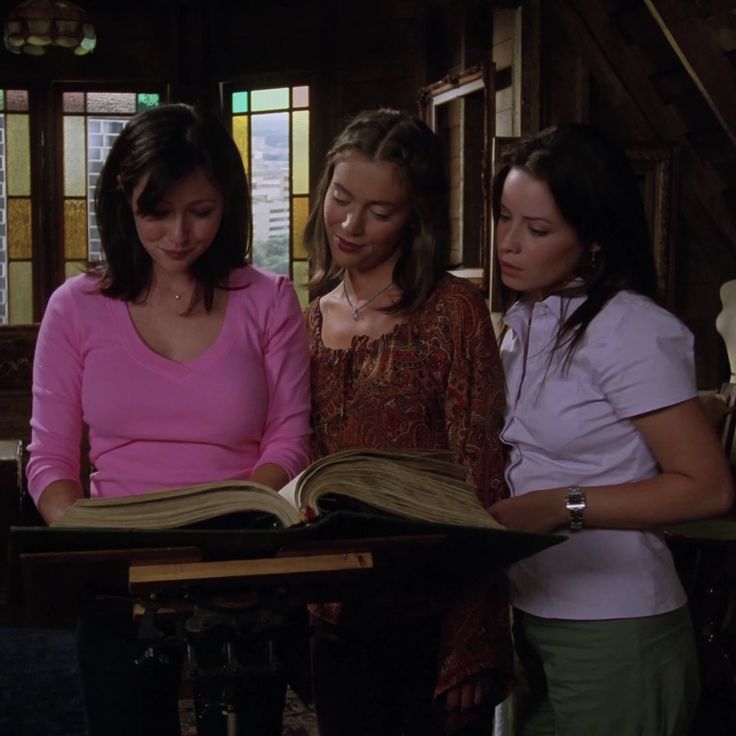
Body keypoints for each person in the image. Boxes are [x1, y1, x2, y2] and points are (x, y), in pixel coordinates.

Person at [26, 103, 311, 736]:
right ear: (124, 203)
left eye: (200, 212)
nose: (178, 235)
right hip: (118, 572)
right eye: (156, 212)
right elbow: (48, 456)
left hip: (241, 565)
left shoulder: (268, 300)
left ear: (228, 205)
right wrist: (83, 538)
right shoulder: (75, 309)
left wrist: (232, 522)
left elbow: (291, 438)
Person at [487, 122, 735, 736]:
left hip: (615, 623)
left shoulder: (630, 329)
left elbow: (706, 489)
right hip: (527, 611)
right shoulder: (525, 320)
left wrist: (558, 506)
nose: (508, 243)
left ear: (591, 241)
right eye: (504, 217)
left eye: (537, 229)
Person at [303, 107, 512, 736]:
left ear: (414, 216)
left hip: (431, 608)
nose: (350, 223)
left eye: (380, 211)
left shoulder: (453, 313)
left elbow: (483, 475)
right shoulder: (308, 316)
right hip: (334, 607)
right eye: (341, 198)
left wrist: (469, 638)